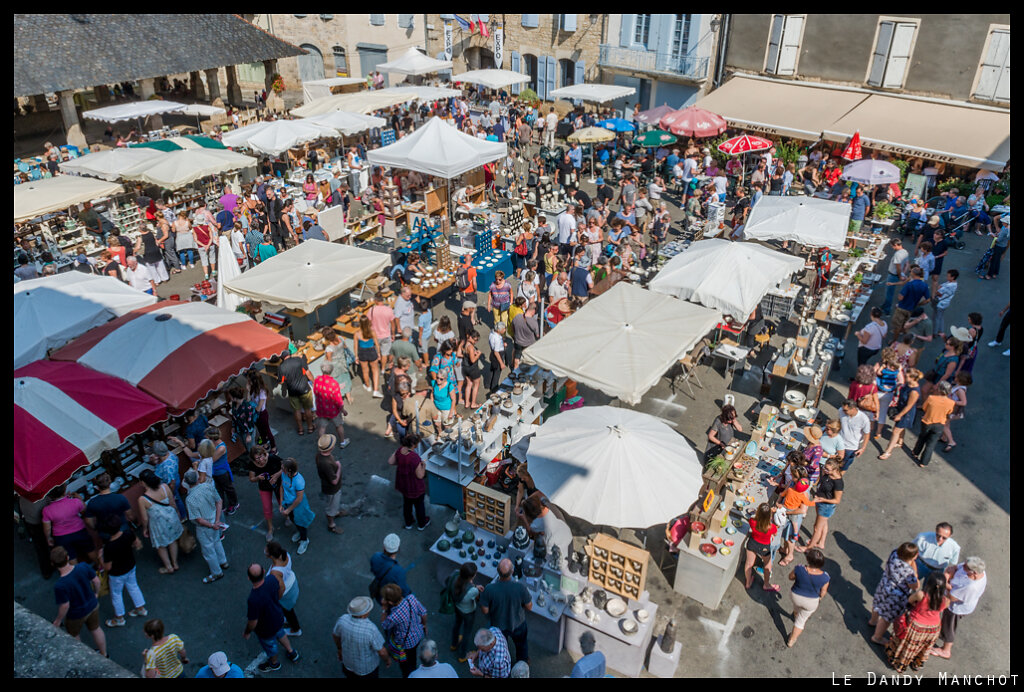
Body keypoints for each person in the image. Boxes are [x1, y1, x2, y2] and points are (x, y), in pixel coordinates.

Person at [882, 571, 949, 672]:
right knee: (923, 646)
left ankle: (900, 664)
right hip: (933, 628)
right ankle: (917, 663)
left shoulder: (921, 595)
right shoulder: (945, 600)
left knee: (908, 645)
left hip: (917, 625)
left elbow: (909, 601)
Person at [50, 546, 107, 657]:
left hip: (76, 614)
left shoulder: (60, 585)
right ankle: (104, 654)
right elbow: (96, 581)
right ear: (67, 557)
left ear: (53, 564)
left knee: (74, 635)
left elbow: (65, 605)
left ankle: (82, 656)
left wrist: (58, 620)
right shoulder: (83, 567)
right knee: (96, 628)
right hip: (92, 605)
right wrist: (96, 593)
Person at [245, 563, 300, 673]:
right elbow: (280, 590)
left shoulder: (253, 599)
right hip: (278, 617)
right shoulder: (272, 580)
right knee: (281, 633)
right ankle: (291, 652)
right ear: (264, 571)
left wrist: (247, 632)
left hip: (266, 628)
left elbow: (253, 621)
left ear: (249, 578)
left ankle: (274, 663)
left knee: (270, 647)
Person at [930, 557, 987, 660]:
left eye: (966, 567)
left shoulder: (971, 586)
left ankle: (946, 650)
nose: (963, 566)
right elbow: (953, 568)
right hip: (954, 595)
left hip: (956, 608)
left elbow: (952, 597)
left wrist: (946, 581)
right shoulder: (971, 567)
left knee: (949, 626)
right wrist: (948, 576)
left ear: (974, 573)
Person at [95, 515, 146, 627]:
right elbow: (136, 543)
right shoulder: (128, 533)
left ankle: (119, 618)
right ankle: (140, 608)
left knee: (116, 594)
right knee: (133, 586)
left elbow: (107, 567)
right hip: (131, 566)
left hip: (117, 574)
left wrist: (100, 558)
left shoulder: (109, 547)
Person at [480, 558, 532, 663]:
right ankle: (522, 663)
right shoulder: (520, 588)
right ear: (512, 572)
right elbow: (529, 607)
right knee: (521, 645)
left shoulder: (489, 589)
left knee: (502, 645)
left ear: (497, 571)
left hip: (498, 625)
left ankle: (504, 661)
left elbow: (485, 611)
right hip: (518, 624)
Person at [869, 542, 921, 644]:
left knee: (877, 604)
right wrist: (915, 572)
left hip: (884, 585)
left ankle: (873, 621)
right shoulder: (909, 572)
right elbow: (915, 586)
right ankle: (877, 637)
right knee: (887, 617)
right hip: (896, 596)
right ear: (915, 556)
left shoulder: (894, 554)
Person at [184, 468, 229, 584]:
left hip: (205, 527)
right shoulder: (208, 486)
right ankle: (223, 561)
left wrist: (211, 525)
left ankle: (216, 572)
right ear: (198, 479)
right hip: (215, 519)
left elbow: (198, 519)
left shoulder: (189, 499)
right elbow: (219, 502)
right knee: (217, 541)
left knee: (208, 550)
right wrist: (217, 521)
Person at [136, 469, 182, 574]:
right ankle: (175, 563)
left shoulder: (142, 499)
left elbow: (144, 518)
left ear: (143, 483)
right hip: (171, 518)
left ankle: (168, 566)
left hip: (158, 525)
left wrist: (145, 528)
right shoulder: (165, 487)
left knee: (161, 545)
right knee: (172, 541)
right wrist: (178, 514)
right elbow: (172, 503)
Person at [333, 595, 390, 678]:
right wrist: (387, 659)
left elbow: (335, 635)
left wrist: (339, 649)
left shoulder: (342, 620)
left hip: (348, 662)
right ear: (364, 614)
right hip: (366, 668)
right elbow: (381, 651)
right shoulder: (370, 629)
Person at [379, 582, 428, 678]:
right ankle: (413, 669)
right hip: (418, 635)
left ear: (390, 602)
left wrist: (384, 609)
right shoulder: (411, 599)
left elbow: (384, 625)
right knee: (413, 656)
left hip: (405, 643)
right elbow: (424, 613)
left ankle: (408, 675)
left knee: (405, 663)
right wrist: (424, 625)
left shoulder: (394, 616)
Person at [785, 547, 830, 648]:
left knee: (796, 607)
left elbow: (790, 577)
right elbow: (823, 592)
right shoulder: (825, 577)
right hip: (811, 601)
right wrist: (820, 598)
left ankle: (795, 614)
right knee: (801, 621)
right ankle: (791, 640)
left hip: (796, 596)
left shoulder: (799, 568)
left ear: (808, 560)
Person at [387, 431, 430, 530]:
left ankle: (408, 523)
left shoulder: (399, 451)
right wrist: (423, 465)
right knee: (419, 506)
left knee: (407, 505)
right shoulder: (415, 458)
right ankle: (421, 524)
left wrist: (401, 464)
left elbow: (390, 461)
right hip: (415, 487)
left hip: (404, 485)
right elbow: (420, 475)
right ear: (414, 444)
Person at [879, 368, 924, 460]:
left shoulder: (914, 392)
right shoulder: (908, 385)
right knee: (901, 428)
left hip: (906, 413)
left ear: (912, 378)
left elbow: (909, 406)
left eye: (907, 376)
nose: (905, 377)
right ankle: (900, 441)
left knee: (896, 431)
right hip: (901, 409)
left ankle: (888, 451)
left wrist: (899, 415)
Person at [800, 459, 844, 552]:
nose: (825, 470)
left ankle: (809, 548)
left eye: (827, 469)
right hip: (820, 501)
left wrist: (823, 499)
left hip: (826, 506)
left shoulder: (838, 483)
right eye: (825, 467)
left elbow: (837, 500)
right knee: (824, 523)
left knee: (817, 528)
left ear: (835, 470)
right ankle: (821, 543)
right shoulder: (828, 474)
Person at [911, 381, 955, 468]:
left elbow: (924, 407)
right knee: (931, 444)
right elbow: (949, 412)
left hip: (927, 421)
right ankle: (924, 462)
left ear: (939, 389)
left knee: (922, 438)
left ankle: (915, 452)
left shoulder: (931, 398)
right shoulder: (951, 403)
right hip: (940, 425)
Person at [446, 561, 481, 662]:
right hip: (468, 612)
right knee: (467, 632)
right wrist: (476, 588)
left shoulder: (454, 574)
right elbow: (477, 598)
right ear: (472, 576)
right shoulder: (472, 590)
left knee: (457, 624)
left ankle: (454, 644)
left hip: (457, 607)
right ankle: (462, 655)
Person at [247, 444, 283, 541]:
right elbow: (251, 478)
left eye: (261, 456)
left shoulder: (272, 457)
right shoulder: (252, 464)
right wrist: (257, 478)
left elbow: (284, 466)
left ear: (264, 454)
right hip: (264, 487)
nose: (260, 460)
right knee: (267, 507)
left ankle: (287, 517)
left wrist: (276, 475)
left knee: (282, 502)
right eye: (257, 458)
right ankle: (270, 528)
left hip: (277, 484)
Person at [266, 540, 302, 636]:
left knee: (289, 612)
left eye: (266, 550)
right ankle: (287, 620)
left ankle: (296, 629)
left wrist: (276, 599)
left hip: (286, 594)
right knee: (287, 611)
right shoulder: (286, 555)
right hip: (292, 583)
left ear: (271, 556)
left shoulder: (275, 572)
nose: (265, 550)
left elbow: (281, 587)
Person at [280, 458, 315, 555]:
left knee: (300, 522)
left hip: (298, 505)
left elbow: (299, 499)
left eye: (283, 468)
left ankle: (304, 540)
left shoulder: (299, 481)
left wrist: (288, 510)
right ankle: (300, 532)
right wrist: (281, 503)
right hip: (288, 503)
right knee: (293, 519)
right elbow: (281, 487)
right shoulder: (284, 474)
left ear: (289, 470)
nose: (281, 469)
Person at [743, 502, 780, 592]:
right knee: (767, 564)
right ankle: (766, 584)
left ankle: (748, 583)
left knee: (749, 564)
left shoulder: (752, 522)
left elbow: (753, 520)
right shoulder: (771, 527)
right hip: (764, 546)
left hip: (752, 543)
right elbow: (775, 533)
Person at [314, 363, 350, 450]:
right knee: (339, 425)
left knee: (322, 428)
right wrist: (343, 410)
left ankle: (322, 445)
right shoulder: (333, 383)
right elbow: (338, 400)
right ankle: (342, 442)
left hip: (322, 409)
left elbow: (316, 392)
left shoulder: (317, 379)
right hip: (333, 410)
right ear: (331, 371)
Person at [279, 352, 317, 435]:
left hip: (292, 392)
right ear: (290, 354)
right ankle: (310, 427)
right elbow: (308, 373)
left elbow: (281, 382)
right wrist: (314, 382)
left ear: (282, 357)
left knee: (297, 411)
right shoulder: (299, 360)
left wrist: (284, 389)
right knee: (308, 409)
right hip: (304, 389)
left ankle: (300, 429)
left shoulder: (281, 367)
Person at [315, 434, 345, 535]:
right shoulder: (326, 463)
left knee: (333, 505)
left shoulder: (319, 456)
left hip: (330, 487)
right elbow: (334, 481)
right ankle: (331, 524)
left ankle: (335, 512)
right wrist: (339, 467)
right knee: (331, 507)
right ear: (331, 447)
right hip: (332, 489)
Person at [354, 316, 384, 398]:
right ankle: (376, 390)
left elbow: (355, 347)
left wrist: (356, 356)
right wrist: (378, 354)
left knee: (365, 371)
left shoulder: (357, 334)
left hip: (362, 352)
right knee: (375, 370)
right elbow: (377, 344)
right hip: (371, 351)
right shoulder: (372, 332)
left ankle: (368, 386)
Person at [838, 399, 871, 473]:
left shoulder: (864, 419)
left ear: (853, 409)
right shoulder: (841, 411)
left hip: (851, 447)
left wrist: (863, 448)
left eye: (845, 410)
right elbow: (839, 421)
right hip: (838, 442)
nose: (843, 411)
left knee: (843, 466)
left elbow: (867, 434)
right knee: (833, 463)